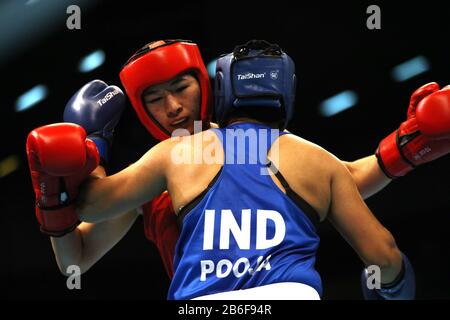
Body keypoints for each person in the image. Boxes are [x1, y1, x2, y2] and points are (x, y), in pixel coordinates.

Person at [26, 40, 450, 299]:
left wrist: (81, 157)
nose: (173, 107)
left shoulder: (254, 144)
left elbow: (348, 179)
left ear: (205, 84)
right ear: (140, 108)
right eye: (155, 98)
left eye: (181, 87)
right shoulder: (150, 176)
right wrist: (53, 200)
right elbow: (74, 262)